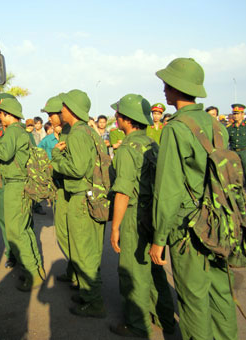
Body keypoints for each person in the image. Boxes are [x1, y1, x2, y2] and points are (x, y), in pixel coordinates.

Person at [149, 57, 238, 340]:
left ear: (176, 87)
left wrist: (159, 237)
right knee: (221, 293)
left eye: (167, 83)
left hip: (189, 227)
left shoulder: (175, 128)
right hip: (220, 218)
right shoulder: (216, 124)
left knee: (194, 298)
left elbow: (168, 189)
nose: (164, 88)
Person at [109, 94, 175, 338]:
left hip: (134, 214)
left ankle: (137, 324)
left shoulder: (127, 148)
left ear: (127, 119)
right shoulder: (152, 144)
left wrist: (115, 227)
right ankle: (165, 318)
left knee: (133, 272)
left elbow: (123, 192)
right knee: (154, 269)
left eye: (119, 114)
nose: (116, 117)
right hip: (154, 212)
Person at [52, 89, 106, 318]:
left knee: (84, 253)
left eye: (63, 107)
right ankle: (87, 295)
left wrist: (55, 157)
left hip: (81, 198)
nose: (60, 111)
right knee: (87, 251)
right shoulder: (87, 131)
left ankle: (94, 303)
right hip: (88, 197)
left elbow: (76, 169)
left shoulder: (77, 134)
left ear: (71, 110)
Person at [0, 97, 44, 291]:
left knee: (16, 232)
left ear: (9, 115)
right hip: (21, 185)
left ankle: (32, 275)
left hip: (15, 186)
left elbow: (4, 154)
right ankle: (37, 269)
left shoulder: (12, 131)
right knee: (25, 229)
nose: (0, 117)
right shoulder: (20, 131)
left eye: (1, 113)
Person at [41, 95, 77, 287]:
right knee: (63, 234)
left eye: (51, 114)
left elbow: (73, 166)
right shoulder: (64, 132)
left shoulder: (72, 133)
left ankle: (80, 275)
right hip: (61, 188)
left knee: (69, 235)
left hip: (71, 189)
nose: (49, 118)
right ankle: (73, 271)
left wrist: (55, 155)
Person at [0, 93, 18, 268]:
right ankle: (11, 253)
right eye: (0, 112)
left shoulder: (20, 132)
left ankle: (22, 255)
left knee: (18, 221)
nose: (1, 115)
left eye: (3, 111)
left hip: (16, 182)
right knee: (4, 220)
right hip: (0, 181)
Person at [227, 103, 246, 196]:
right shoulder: (230, 128)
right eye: (234, 113)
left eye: (238, 113)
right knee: (235, 174)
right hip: (234, 152)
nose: (236, 116)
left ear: (242, 114)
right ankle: (238, 194)